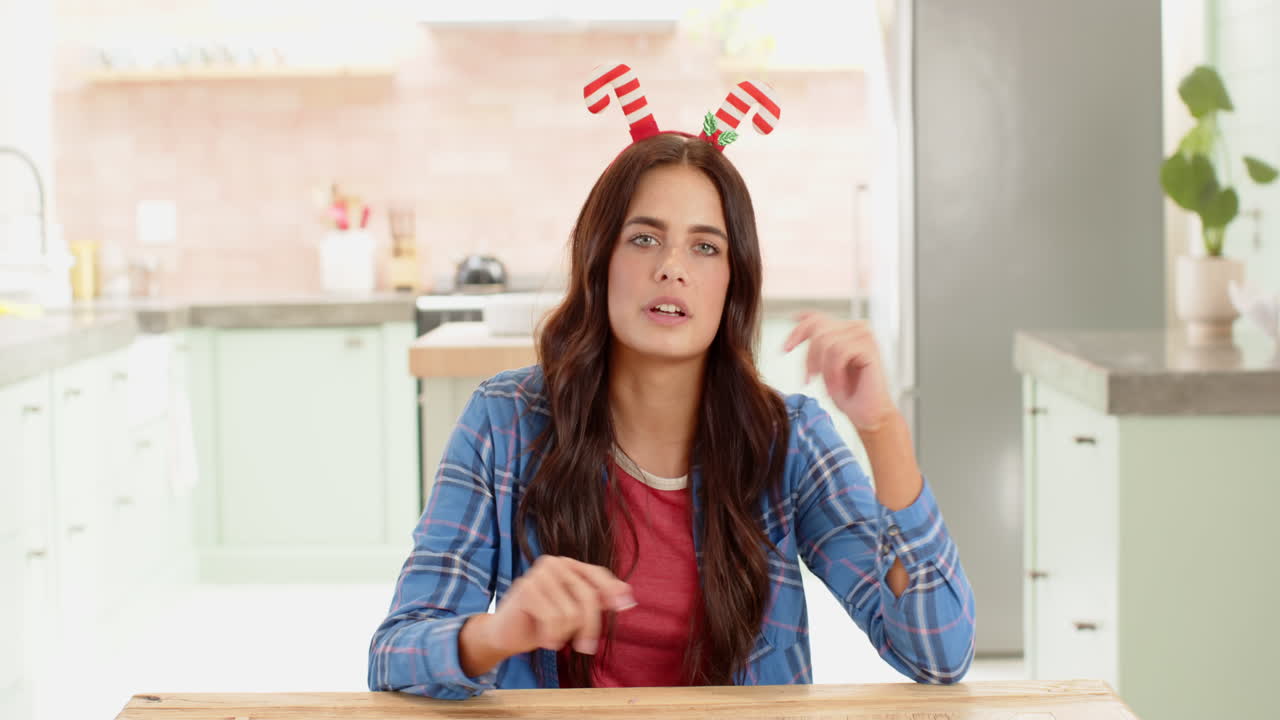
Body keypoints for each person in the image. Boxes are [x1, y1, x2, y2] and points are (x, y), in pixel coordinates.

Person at [368, 67, 975, 700]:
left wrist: (882, 430)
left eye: (705, 248)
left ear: (733, 283)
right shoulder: (503, 423)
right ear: (599, 262)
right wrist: (499, 632)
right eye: (644, 238)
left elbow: (939, 653)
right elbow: (395, 653)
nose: (671, 269)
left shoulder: (788, 442)